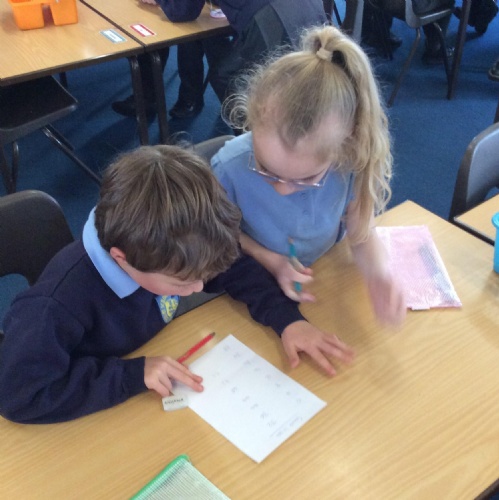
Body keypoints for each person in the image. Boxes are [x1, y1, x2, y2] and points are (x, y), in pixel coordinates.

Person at [0, 145, 354, 424]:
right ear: (122, 259)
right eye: (182, 282)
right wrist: (131, 375)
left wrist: (287, 320)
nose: (199, 288)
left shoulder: (177, 248)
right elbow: (19, 394)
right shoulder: (54, 307)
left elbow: (235, 270)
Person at [211, 25, 406, 327]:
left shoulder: (350, 162)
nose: (282, 189)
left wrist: (379, 275)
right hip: (255, 285)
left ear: (344, 146)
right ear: (252, 121)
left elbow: (362, 233)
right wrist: (271, 260)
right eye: (265, 169)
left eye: (305, 179)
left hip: (323, 276)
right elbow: (219, 234)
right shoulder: (228, 169)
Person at [156, 0, 328, 104]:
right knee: (303, 75)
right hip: (311, 8)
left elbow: (182, 12)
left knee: (230, 79)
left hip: (271, 17)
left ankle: (253, 138)